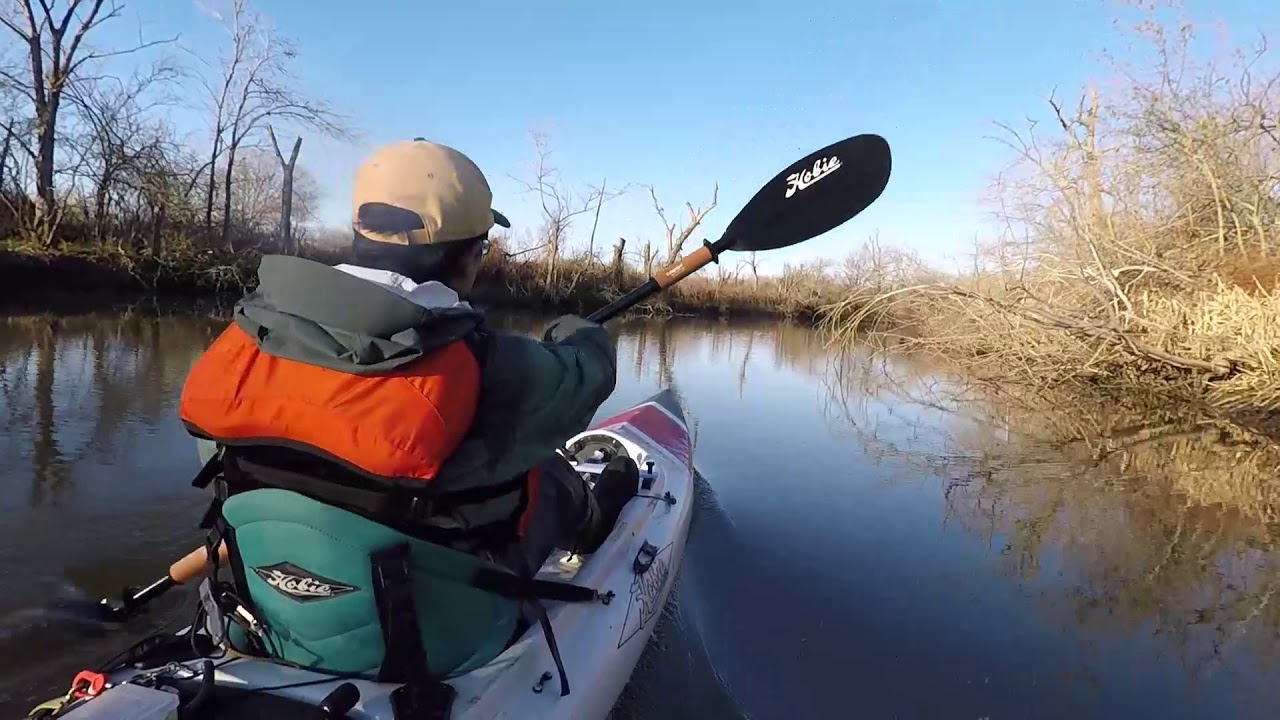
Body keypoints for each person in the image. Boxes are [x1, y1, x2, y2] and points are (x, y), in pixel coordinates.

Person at [174, 139, 638, 703]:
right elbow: (589, 373)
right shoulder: (495, 368)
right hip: (440, 642)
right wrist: (575, 332)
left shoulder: (243, 344)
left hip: (269, 615)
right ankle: (595, 518)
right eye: (482, 247)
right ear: (467, 256)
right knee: (539, 468)